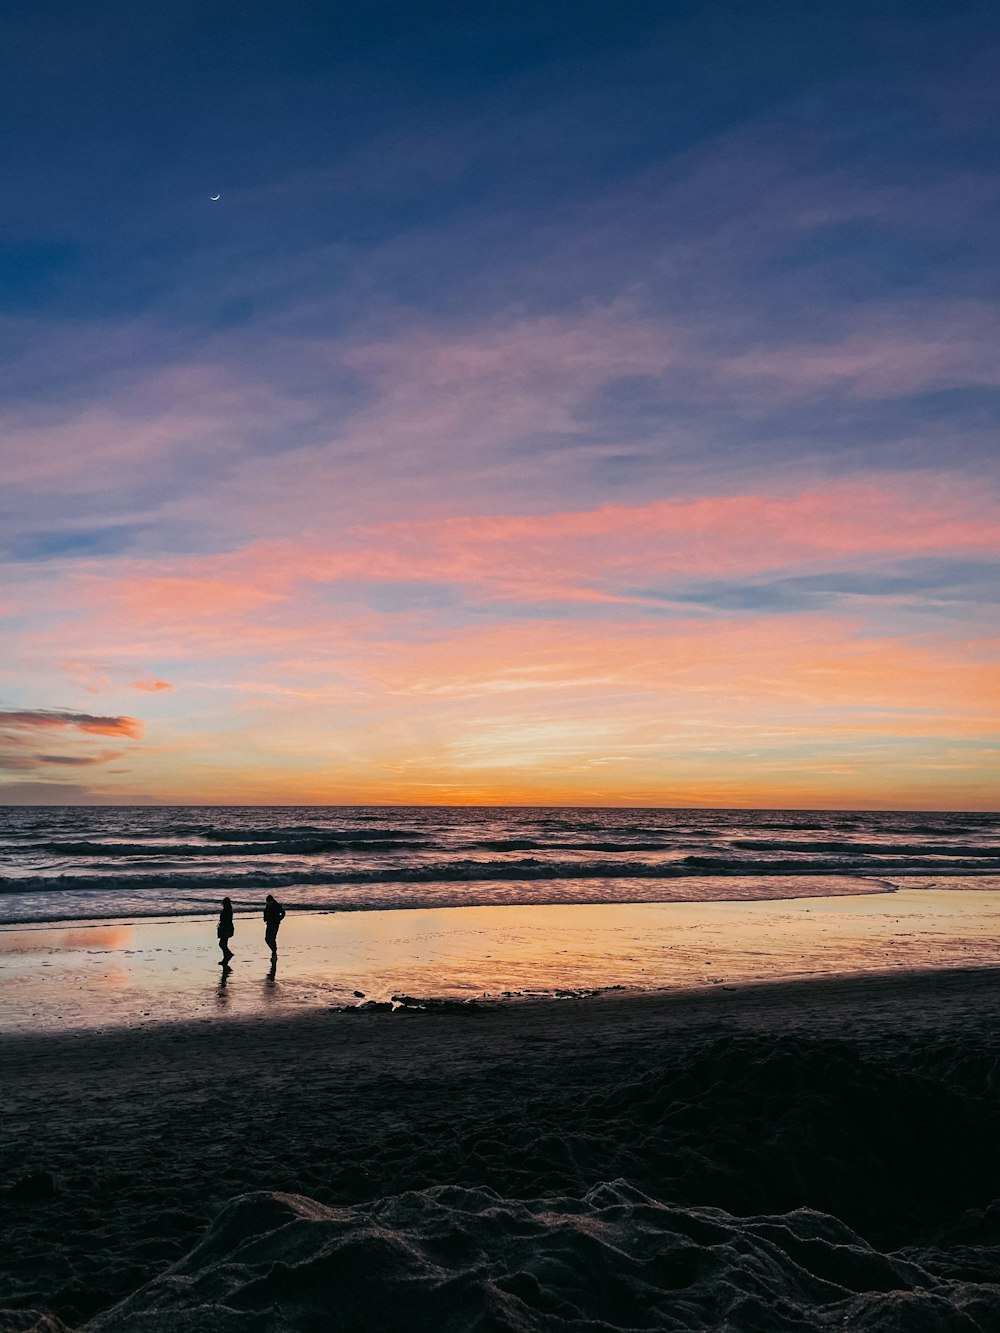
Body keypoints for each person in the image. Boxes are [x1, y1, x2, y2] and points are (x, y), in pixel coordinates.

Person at [263, 894, 286, 962]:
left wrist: (278, 919)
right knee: (267, 939)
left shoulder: (277, 906)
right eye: (267, 902)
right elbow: (265, 912)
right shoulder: (268, 906)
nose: (268, 903)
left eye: (269, 902)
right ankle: (274, 951)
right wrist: (265, 918)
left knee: (272, 938)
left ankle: (274, 953)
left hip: (275, 924)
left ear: (272, 901)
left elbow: (283, 913)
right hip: (269, 924)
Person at [217, 897, 234, 966]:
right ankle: (226, 957)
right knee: (223, 943)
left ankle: (228, 955)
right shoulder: (228, 909)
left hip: (226, 928)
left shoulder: (227, 910)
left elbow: (227, 921)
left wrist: (226, 930)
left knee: (222, 943)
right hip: (225, 928)